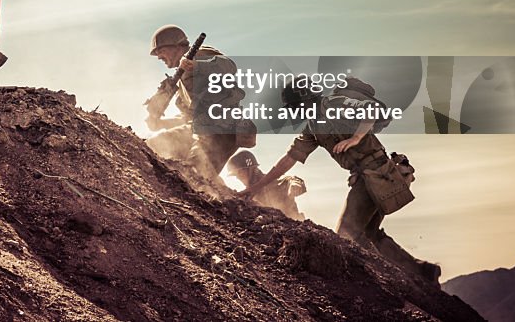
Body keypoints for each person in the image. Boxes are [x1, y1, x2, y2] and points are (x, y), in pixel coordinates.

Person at [248, 77, 441, 283]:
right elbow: (289, 159)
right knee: (369, 232)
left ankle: (379, 283)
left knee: (345, 235)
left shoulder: (333, 103)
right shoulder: (313, 127)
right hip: (368, 177)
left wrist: (356, 138)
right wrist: (256, 188)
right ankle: (422, 272)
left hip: (375, 174)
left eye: (295, 107)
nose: (295, 112)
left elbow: (370, 109)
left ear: (306, 100)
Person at [145, 25, 254, 183]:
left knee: (194, 174)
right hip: (200, 129)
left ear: (177, 46)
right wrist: (161, 123)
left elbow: (229, 67)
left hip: (222, 130)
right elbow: (188, 118)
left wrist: (197, 65)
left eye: (161, 50)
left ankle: (214, 198)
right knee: (153, 146)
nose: (158, 56)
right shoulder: (181, 82)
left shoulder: (199, 54)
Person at [225, 150, 306, 220]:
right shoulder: (249, 194)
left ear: (251, 169)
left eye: (239, 172)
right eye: (235, 175)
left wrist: (295, 184)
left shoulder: (270, 182)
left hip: (293, 228)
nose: (238, 177)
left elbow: (289, 180)